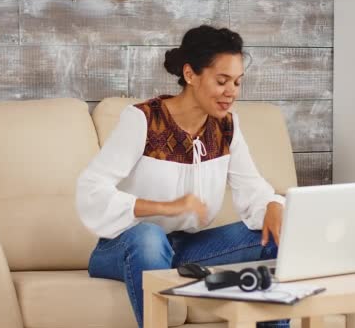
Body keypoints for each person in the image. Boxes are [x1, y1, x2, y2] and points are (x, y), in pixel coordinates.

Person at [76, 25, 289, 328]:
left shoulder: (226, 127)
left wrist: (273, 205)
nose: (232, 92)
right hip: (123, 246)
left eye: (238, 82)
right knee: (149, 236)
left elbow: (253, 187)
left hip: (186, 249)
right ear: (190, 75)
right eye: (222, 80)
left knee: (274, 233)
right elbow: (91, 189)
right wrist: (164, 207)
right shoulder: (143, 120)